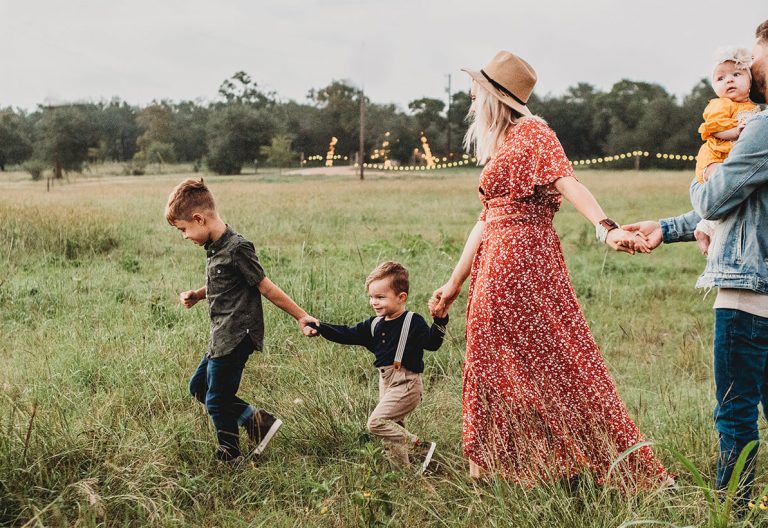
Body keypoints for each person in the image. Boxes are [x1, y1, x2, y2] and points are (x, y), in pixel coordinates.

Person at [429, 50, 669, 486]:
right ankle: (497, 467)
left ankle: (588, 464)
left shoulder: (534, 133)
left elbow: (568, 181)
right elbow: (485, 219)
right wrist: (453, 282)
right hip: (496, 261)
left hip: (521, 262)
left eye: (476, 89)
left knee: (555, 360)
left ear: (494, 97)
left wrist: (606, 227)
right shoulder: (504, 143)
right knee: (495, 362)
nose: (469, 96)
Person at [624, 19, 768, 505]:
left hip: (748, 293)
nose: (750, 66)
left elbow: (712, 201)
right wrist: (668, 227)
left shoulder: (763, 125)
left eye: (755, 56)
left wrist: (699, 178)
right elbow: (742, 204)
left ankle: (734, 509)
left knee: (734, 411)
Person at [165, 178, 318, 463]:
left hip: (237, 335)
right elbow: (222, 285)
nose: (184, 236)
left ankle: (230, 455)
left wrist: (301, 316)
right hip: (220, 334)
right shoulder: (214, 247)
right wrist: (198, 295)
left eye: (184, 229)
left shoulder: (238, 248)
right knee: (199, 387)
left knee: (217, 399)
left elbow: (265, 287)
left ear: (199, 219)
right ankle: (258, 422)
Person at [310, 261, 447, 474]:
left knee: (377, 423)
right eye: (372, 297)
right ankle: (403, 475)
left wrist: (440, 320)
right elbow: (346, 334)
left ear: (401, 297)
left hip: (407, 384)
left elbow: (433, 344)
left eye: (380, 297)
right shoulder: (374, 324)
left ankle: (420, 447)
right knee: (393, 433)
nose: (374, 302)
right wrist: (319, 327)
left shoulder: (413, 321)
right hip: (386, 383)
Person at [693, 47, 759, 250]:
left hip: (729, 158)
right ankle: (707, 228)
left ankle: (704, 227)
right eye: (721, 78)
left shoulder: (753, 108)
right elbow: (713, 128)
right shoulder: (721, 104)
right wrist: (735, 132)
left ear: (750, 81)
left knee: (732, 192)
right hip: (714, 157)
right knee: (722, 187)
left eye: (736, 75)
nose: (729, 80)